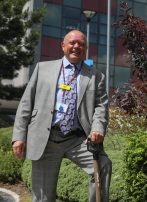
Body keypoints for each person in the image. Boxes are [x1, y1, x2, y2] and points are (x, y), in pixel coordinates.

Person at [12, 29, 112, 202]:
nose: (76, 46)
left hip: (78, 140)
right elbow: (26, 103)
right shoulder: (43, 69)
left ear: (85, 48)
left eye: (81, 44)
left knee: (103, 165)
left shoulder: (96, 76)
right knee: (43, 197)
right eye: (72, 42)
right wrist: (19, 136)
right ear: (63, 46)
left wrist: (97, 129)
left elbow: (101, 107)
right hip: (47, 138)